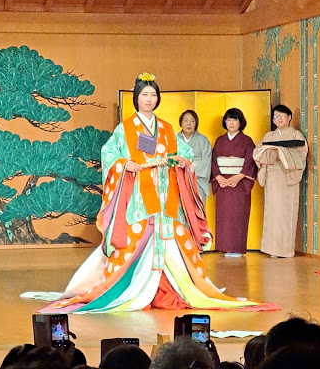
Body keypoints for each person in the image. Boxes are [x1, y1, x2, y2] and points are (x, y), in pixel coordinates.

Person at [38, 73, 277, 313]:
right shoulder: (125, 128)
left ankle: (169, 286)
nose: (149, 99)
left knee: (170, 241)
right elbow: (109, 153)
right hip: (139, 197)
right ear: (136, 98)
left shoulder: (165, 128)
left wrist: (182, 160)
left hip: (165, 196)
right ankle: (131, 287)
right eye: (144, 95)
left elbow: (185, 152)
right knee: (135, 240)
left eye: (153, 95)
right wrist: (124, 163)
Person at [253, 105, 308, 258]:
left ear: (289, 117)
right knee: (272, 214)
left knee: (286, 213)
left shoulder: (296, 135)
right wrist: (268, 157)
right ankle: (271, 249)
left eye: (282, 115)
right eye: (276, 116)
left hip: (287, 176)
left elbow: (301, 154)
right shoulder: (269, 136)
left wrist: (284, 156)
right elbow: (257, 152)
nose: (279, 118)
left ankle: (285, 250)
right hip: (272, 177)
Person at [211, 108, 257, 257]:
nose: (231, 123)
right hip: (223, 183)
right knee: (224, 216)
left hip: (239, 184)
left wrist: (240, 176)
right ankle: (225, 247)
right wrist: (218, 177)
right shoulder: (220, 140)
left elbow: (250, 161)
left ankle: (237, 248)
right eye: (229, 120)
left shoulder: (247, 141)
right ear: (225, 122)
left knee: (238, 215)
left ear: (240, 122)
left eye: (235, 120)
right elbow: (213, 161)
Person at [177, 110, 212, 207]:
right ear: (181, 123)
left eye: (192, 121)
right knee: (180, 210)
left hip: (197, 180)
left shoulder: (203, 140)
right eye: (185, 120)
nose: (189, 124)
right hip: (178, 180)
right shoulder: (174, 139)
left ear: (196, 124)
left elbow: (206, 160)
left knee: (197, 209)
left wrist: (191, 171)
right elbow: (169, 157)